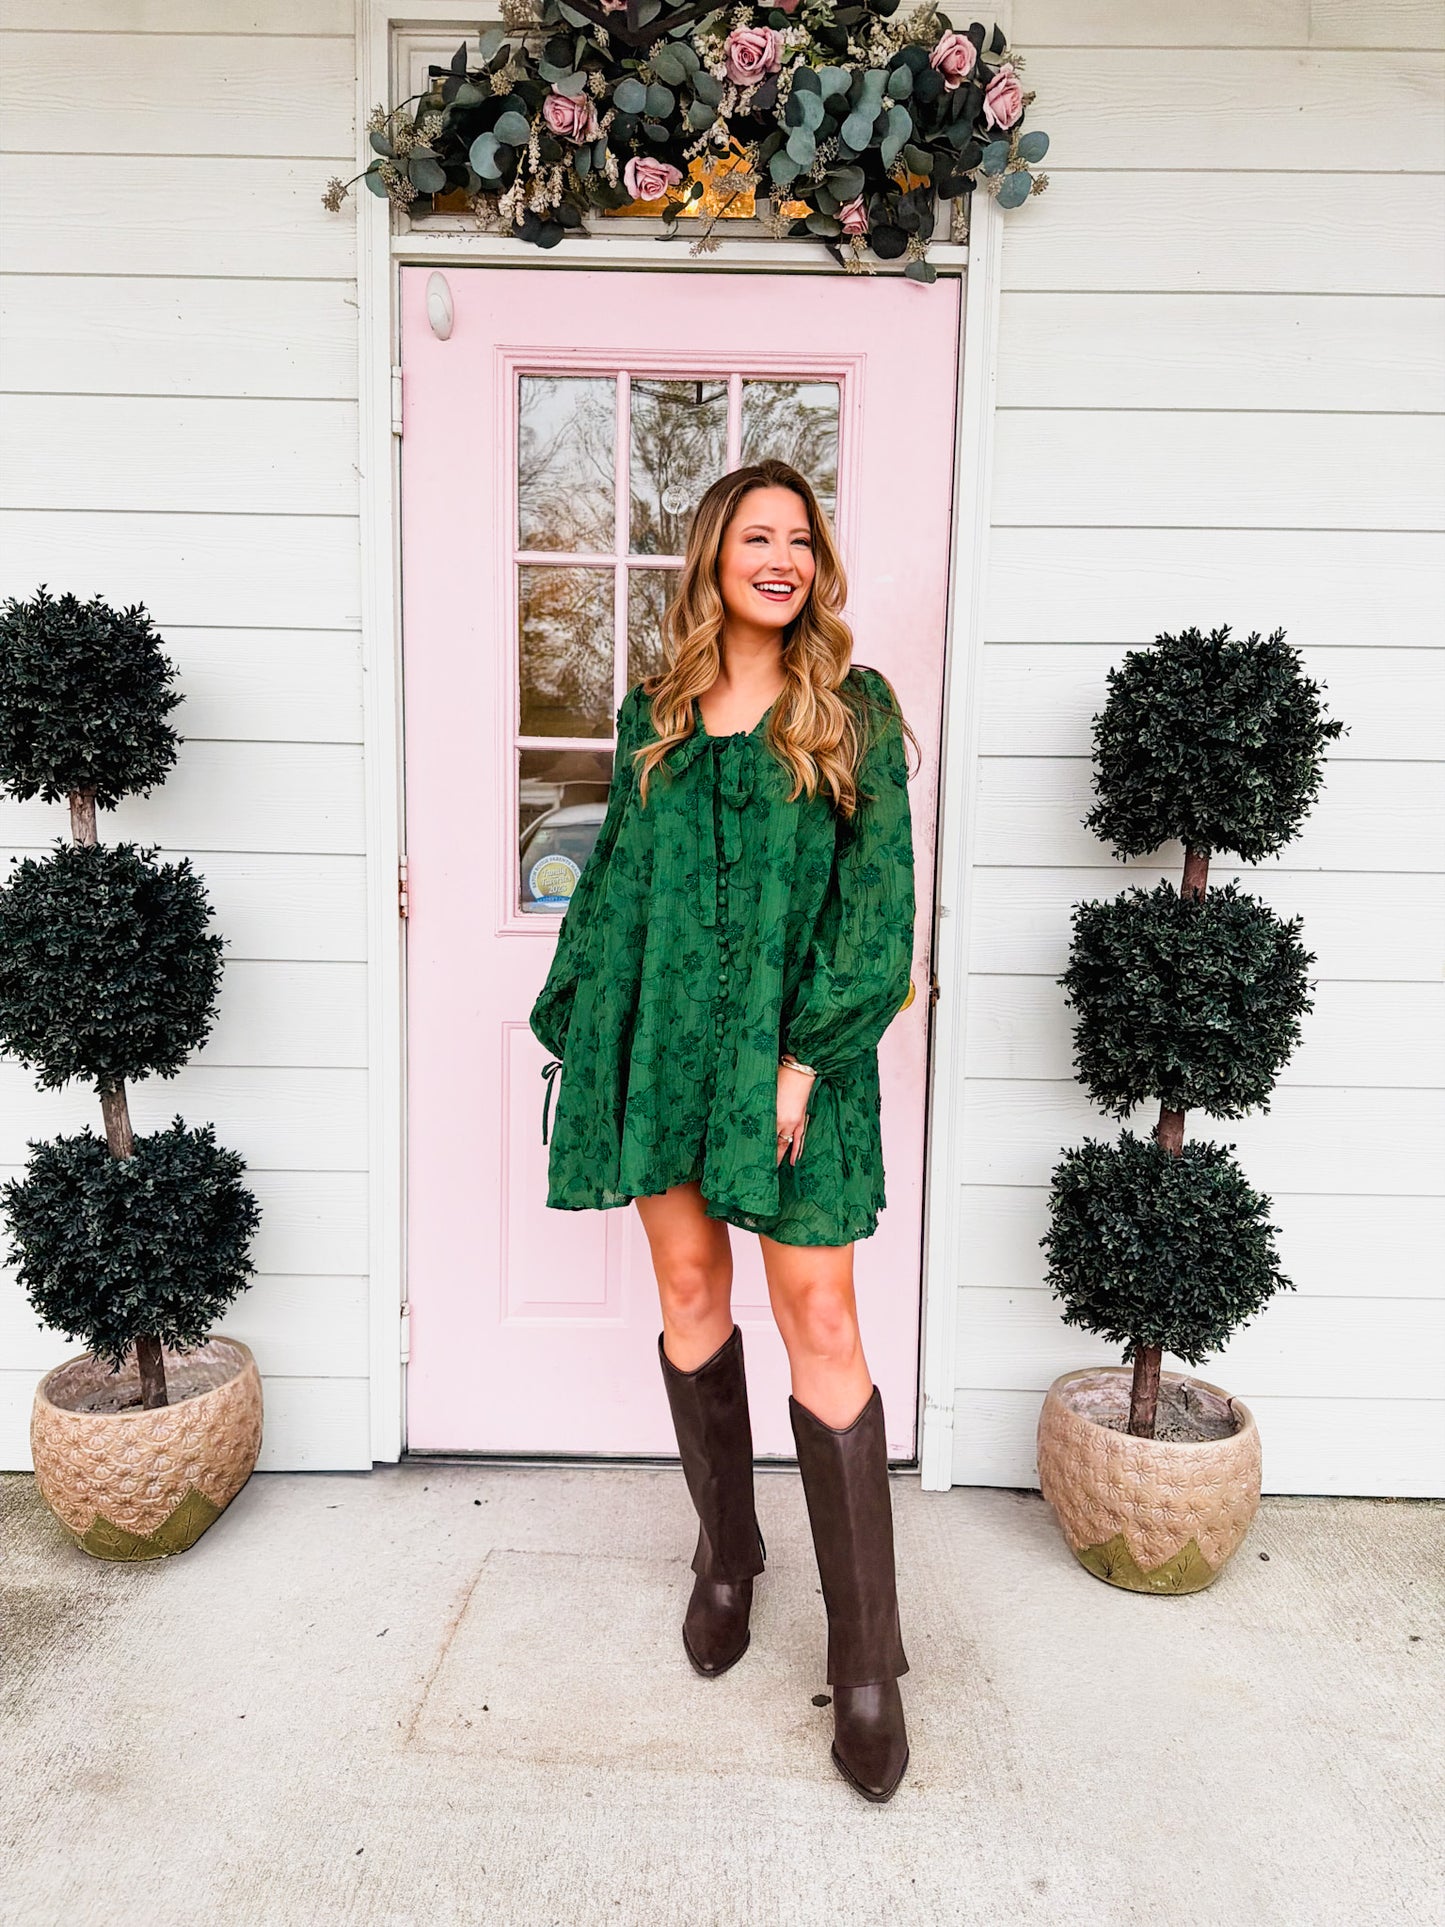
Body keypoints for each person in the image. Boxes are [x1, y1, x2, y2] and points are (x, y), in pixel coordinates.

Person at [528, 457, 921, 1803]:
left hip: (801, 1065)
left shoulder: (851, 712)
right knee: (690, 1286)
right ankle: (727, 1552)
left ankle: (865, 1657)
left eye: (800, 540)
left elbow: (879, 915)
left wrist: (808, 1058)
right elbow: (614, 895)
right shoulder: (655, 712)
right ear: (712, 557)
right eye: (758, 537)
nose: (783, 559)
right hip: (667, 1059)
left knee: (821, 1324)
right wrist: (585, 1034)